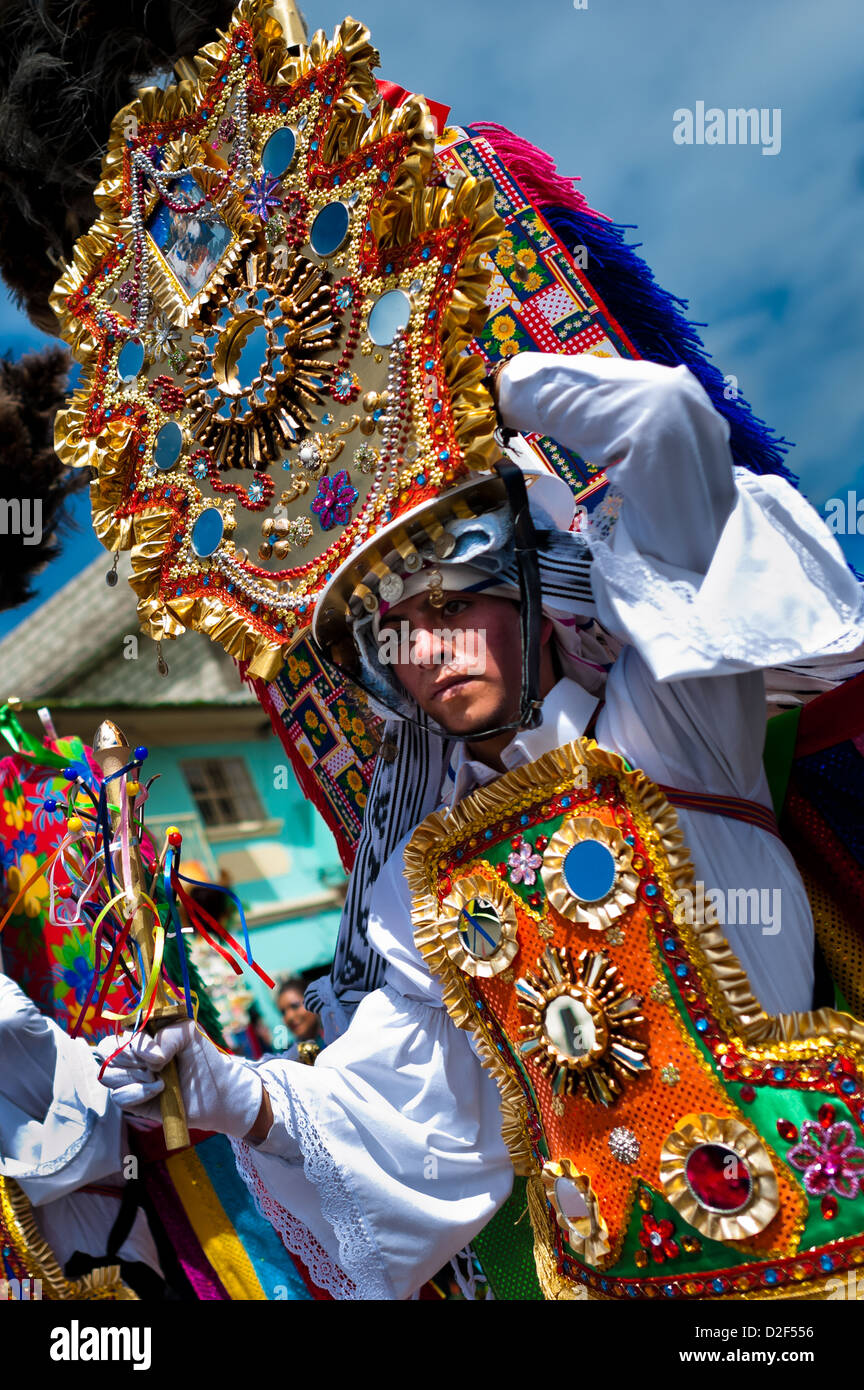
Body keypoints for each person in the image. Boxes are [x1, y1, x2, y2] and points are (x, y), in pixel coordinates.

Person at [99, 350, 864, 1300]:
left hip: (831, 1247)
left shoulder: (672, 723)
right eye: (397, 636)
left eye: (455, 606)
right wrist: (224, 1090)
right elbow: (403, 1115)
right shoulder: (427, 877)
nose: (431, 650)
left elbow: (668, 421)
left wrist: (480, 387)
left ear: (535, 600)